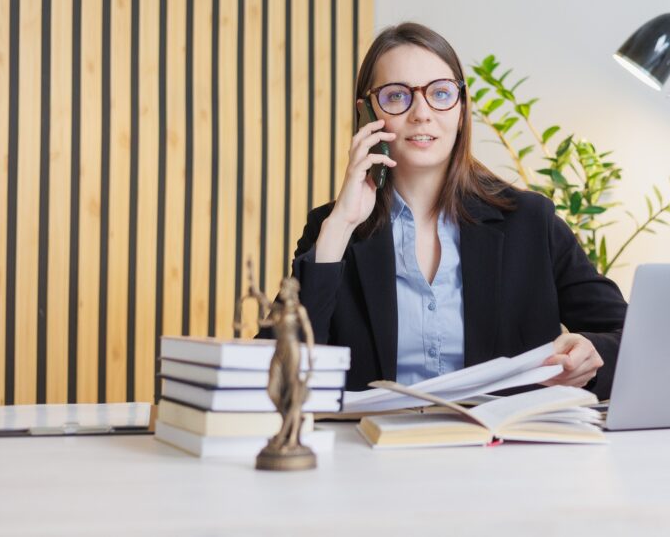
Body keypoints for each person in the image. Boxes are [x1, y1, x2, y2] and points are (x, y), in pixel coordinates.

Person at [262, 22, 626, 400]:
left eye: (440, 93)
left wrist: (592, 356)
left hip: (505, 452)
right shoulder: (331, 229)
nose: (422, 113)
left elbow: (629, 336)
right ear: (368, 113)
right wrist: (340, 226)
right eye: (396, 96)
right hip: (371, 451)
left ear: (462, 108)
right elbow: (273, 375)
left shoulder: (531, 222)